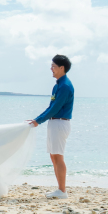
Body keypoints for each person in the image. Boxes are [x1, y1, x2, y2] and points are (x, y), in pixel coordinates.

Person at [27, 55, 74, 199]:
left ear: (62, 68)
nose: (51, 69)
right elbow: (51, 107)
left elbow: (55, 108)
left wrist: (38, 121)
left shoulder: (65, 86)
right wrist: (36, 119)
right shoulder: (58, 85)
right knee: (53, 156)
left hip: (60, 123)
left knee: (58, 156)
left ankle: (62, 191)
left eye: (53, 66)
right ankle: (60, 189)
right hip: (54, 122)